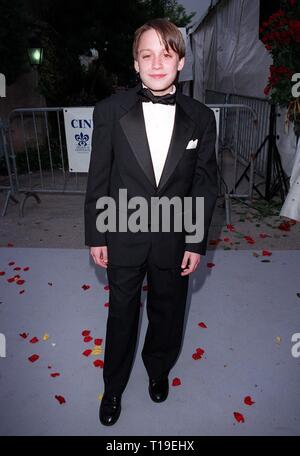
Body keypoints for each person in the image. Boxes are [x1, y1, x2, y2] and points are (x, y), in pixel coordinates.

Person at [84, 18, 218, 426]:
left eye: (166, 54)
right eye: (147, 55)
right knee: (121, 311)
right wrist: (96, 234)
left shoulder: (200, 117)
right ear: (136, 63)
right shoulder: (109, 112)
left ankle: (158, 370)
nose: (157, 63)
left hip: (175, 236)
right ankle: (113, 387)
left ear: (181, 61)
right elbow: (99, 177)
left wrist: (196, 242)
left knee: (169, 309)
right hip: (123, 230)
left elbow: (204, 183)